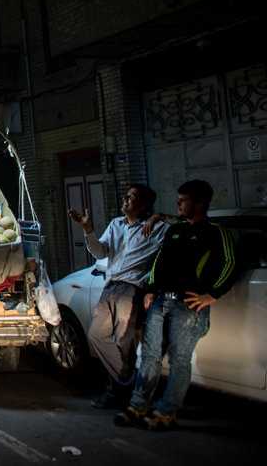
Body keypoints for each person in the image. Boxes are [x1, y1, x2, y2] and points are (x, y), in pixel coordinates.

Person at [115, 179, 240, 430]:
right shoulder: (176, 230)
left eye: (183, 200)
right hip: (161, 301)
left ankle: (166, 413)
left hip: (188, 307)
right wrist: (151, 291)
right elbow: (158, 262)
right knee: (149, 356)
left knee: (179, 360)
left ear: (199, 204)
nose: (178, 204)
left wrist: (211, 295)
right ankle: (138, 406)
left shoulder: (216, 231)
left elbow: (230, 263)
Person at [67, 184, 167, 409]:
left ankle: (116, 393)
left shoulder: (155, 227)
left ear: (143, 205)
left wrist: (159, 216)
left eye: (131, 197)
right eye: (126, 195)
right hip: (110, 286)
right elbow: (101, 252)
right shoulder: (115, 225)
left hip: (131, 289)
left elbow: (182, 225)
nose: (125, 199)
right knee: (96, 335)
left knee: (124, 345)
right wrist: (87, 230)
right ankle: (130, 385)